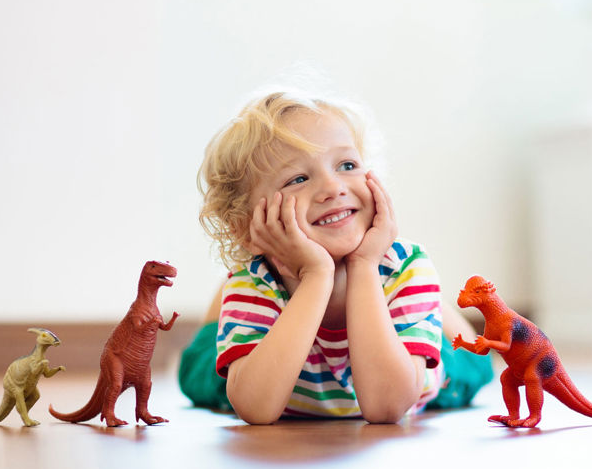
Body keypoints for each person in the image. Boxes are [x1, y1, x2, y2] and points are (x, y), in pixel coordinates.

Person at [177, 89, 492, 424]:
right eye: (298, 178)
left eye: (347, 165)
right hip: (264, 335)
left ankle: (434, 310)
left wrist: (366, 265)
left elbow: (387, 407)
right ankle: (222, 309)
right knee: (204, 373)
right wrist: (316, 275)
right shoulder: (255, 281)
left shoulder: (406, 268)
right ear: (247, 227)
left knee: (473, 362)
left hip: (414, 357)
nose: (333, 188)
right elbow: (255, 408)